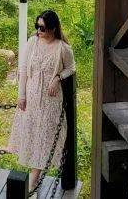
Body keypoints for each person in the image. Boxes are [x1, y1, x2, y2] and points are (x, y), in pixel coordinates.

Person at [7, 10, 76, 191]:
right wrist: (21, 95)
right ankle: (34, 176)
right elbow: (22, 69)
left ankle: (34, 178)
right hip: (31, 96)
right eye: (37, 26)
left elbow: (71, 67)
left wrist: (58, 77)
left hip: (50, 100)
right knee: (32, 133)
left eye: (42, 28)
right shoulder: (32, 42)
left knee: (44, 135)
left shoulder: (63, 48)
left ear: (53, 28)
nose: (39, 30)